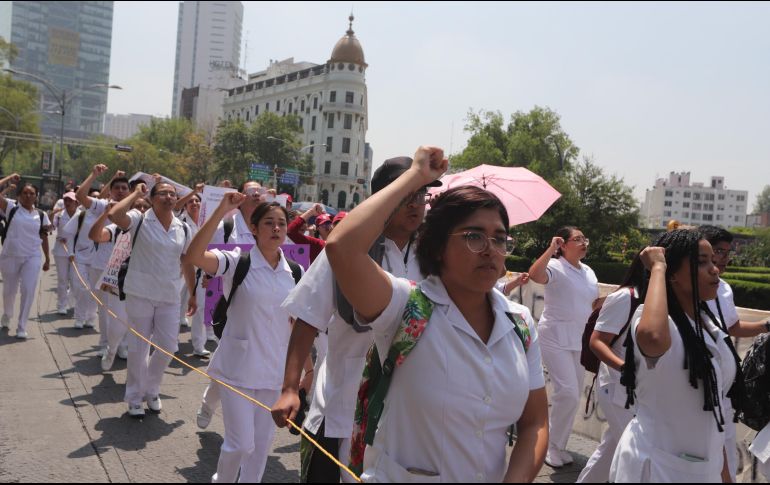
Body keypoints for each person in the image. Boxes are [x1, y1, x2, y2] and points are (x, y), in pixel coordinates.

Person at [322, 146, 548, 482]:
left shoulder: (519, 323)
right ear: (438, 247)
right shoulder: (406, 306)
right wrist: (416, 177)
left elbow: (535, 423)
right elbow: (342, 247)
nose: (490, 249)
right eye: (474, 236)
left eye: (500, 239)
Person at [272, 156, 436, 483]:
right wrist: (290, 388)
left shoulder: (433, 258)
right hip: (345, 404)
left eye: (423, 196)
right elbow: (307, 318)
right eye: (408, 195)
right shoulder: (347, 252)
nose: (417, 204)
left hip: (411, 410)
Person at [184, 193, 301, 483]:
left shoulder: (296, 272)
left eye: (281, 224)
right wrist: (222, 210)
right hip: (237, 370)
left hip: (274, 373)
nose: (276, 229)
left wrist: (303, 372)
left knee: (260, 448)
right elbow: (194, 256)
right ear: (254, 228)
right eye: (269, 223)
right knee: (240, 444)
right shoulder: (238, 262)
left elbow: (301, 325)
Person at [610, 230, 740, 483]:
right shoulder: (653, 323)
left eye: (713, 261)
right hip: (656, 467)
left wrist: (723, 473)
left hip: (703, 467)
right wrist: (658, 267)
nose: (715, 269)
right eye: (701, 262)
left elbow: (713, 408)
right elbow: (655, 338)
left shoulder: (707, 325)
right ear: (672, 275)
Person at [108, 181, 196, 417]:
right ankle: (135, 397)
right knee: (139, 347)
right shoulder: (139, 219)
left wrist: (193, 292)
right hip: (140, 293)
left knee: (168, 346)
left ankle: (152, 388)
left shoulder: (182, 227)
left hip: (169, 295)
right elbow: (114, 214)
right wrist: (136, 193)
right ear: (153, 198)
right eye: (164, 193)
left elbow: (186, 261)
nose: (169, 197)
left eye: (173, 194)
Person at [699, 224, 770, 481]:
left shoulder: (724, 289)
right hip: (698, 389)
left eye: (727, 252)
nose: (722, 259)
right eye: (715, 252)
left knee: (726, 451)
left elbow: (733, 327)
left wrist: (766, 325)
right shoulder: (680, 294)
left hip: (726, 389)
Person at [195, 180, 267, 429]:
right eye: (251, 191)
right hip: (230, 300)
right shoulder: (227, 226)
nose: (257, 195)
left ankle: (232, 419)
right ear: (241, 197)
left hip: (262, 305)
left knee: (237, 361)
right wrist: (207, 275)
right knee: (229, 358)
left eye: (261, 191)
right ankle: (212, 406)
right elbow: (204, 252)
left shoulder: (271, 226)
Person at [528, 226, 600, 467]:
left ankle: (558, 445)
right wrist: (550, 249)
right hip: (554, 337)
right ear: (564, 244)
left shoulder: (589, 271)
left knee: (573, 395)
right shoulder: (556, 266)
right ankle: (550, 446)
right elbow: (536, 275)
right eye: (578, 239)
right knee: (567, 393)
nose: (584, 242)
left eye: (585, 238)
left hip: (578, 339)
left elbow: (589, 303)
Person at [576, 253, 646, 483]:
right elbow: (597, 342)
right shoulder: (626, 298)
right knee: (639, 455)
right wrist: (625, 368)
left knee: (611, 449)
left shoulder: (662, 301)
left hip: (638, 390)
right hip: (618, 388)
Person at [88, 196, 150, 371]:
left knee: (142, 328)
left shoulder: (156, 229)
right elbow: (95, 235)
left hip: (147, 285)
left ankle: (138, 372)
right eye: (137, 207)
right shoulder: (117, 229)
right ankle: (112, 348)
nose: (141, 210)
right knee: (117, 325)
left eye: (145, 207)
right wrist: (106, 213)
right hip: (120, 282)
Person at [0, 181, 51, 339]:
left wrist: (47, 258)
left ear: (36, 196)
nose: (28, 196)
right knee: (9, 291)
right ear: (19, 196)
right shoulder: (11, 208)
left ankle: (22, 326)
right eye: (25, 193)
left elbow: (43, 236)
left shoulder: (41, 215)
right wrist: (7, 179)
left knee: (28, 290)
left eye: (32, 193)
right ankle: (7, 315)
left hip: (32, 256)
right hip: (11, 255)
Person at [52, 192, 79, 315]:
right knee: (62, 279)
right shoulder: (59, 215)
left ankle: (70, 301)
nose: (68, 203)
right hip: (61, 250)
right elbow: (50, 228)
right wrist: (51, 215)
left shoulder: (81, 215)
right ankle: (61, 305)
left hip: (77, 251)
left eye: (70, 201)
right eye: (66, 200)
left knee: (74, 280)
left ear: (76, 202)